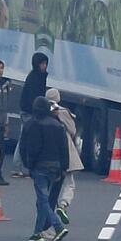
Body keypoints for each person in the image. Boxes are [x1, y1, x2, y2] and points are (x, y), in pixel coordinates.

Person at [20, 96, 69, 241]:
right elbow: (64, 148)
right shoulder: (57, 125)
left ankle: (58, 226)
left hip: (39, 166)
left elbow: (26, 147)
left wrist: (29, 164)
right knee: (43, 199)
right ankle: (37, 232)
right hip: (55, 166)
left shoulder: (31, 125)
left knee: (42, 199)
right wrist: (64, 167)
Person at [45, 88, 83, 227]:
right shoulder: (63, 112)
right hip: (66, 150)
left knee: (49, 186)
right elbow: (72, 130)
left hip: (48, 154)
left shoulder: (42, 111)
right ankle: (63, 205)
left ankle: (47, 211)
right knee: (69, 182)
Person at [11, 52, 49, 178]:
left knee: (26, 139)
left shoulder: (39, 76)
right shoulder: (35, 78)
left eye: (45, 64)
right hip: (29, 112)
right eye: (42, 64)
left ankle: (22, 167)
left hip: (30, 112)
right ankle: (17, 167)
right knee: (25, 139)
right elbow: (33, 97)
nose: (44, 66)